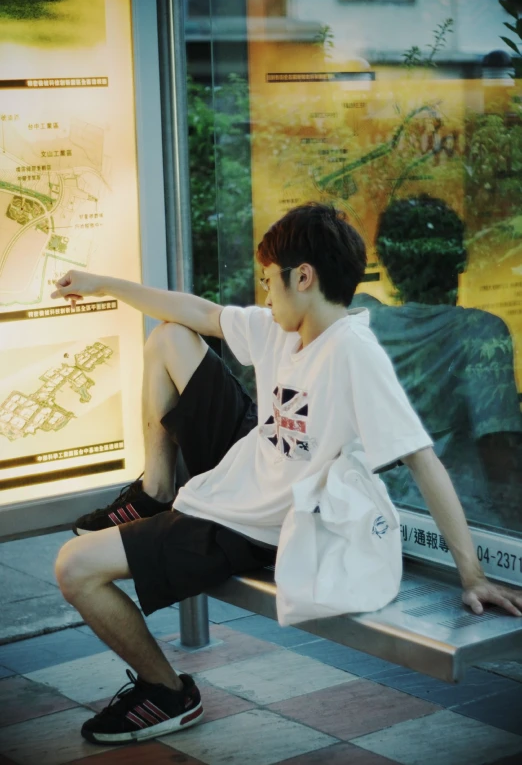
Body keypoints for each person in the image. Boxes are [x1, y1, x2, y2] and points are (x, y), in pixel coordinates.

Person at [52, 203, 522, 747]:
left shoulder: (353, 353)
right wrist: (100, 282)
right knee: (170, 337)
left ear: (304, 277)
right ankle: (156, 492)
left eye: (269, 282)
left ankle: (167, 693)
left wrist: (472, 575)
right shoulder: (280, 328)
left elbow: (423, 460)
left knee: (74, 568)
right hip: (246, 464)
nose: (263, 295)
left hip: (252, 523)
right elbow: (195, 311)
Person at [352, 195, 522, 531]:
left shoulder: (359, 319)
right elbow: (500, 451)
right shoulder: (479, 331)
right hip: (467, 522)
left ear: (388, 265)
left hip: (377, 514)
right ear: (459, 260)